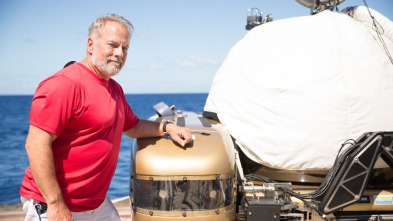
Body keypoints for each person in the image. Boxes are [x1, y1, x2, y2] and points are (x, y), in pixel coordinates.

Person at [20, 14, 192, 221]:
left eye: (125, 48)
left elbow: (133, 126)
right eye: (112, 45)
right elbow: (36, 145)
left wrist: (167, 128)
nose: (119, 53)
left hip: (96, 203)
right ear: (91, 45)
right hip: (55, 202)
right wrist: (55, 203)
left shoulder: (114, 88)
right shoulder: (64, 84)